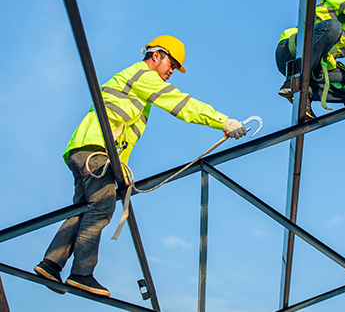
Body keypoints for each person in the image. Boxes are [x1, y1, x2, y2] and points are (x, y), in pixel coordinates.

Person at [34, 35, 247, 296]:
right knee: (101, 206)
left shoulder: (134, 81)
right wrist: (223, 121)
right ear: (156, 55)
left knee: (82, 209)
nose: (172, 70)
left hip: (84, 148)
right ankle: (81, 273)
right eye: (172, 62)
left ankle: (51, 264)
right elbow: (182, 105)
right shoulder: (144, 77)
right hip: (96, 150)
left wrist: (120, 172)